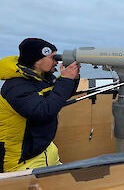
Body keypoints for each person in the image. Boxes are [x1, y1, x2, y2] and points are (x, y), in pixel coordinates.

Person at [0, 38, 80, 173]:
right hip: (22, 161)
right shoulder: (16, 86)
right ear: (37, 61)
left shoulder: (40, 79)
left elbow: (59, 96)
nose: (56, 61)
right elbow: (43, 111)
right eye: (53, 58)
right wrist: (65, 79)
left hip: (45, 150)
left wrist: (73, 77)